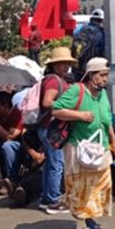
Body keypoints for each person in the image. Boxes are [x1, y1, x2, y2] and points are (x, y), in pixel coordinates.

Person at [51, 58, 115, 229]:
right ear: (91, 75)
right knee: (80, 187)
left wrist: (113, 141)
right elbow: (56, 110)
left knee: (100, 185)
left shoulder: (102, 94)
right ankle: (80, 225)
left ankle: (90, 216)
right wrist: (79, 115)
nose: (105, 79)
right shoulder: (77, 90)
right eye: (102, 75)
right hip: (78, 148)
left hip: (100, 148)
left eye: (106, 75)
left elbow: (107, 120)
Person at [37, 47, 75, 214]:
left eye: (67, 63)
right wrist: (65, 104)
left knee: (51, 164)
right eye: (62, 63)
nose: (66, 66)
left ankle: (47, 198)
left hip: (48, 127)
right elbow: (47, 102)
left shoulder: (55, 79)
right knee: (56, 164)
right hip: (51, 128)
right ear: (54, 65)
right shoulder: (54, 81)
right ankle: (53, 200)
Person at [71, 9, 107, 81]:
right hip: (93, 69)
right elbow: (104, 52)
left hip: (77, 69)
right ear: (102, 21)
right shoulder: (102, 33)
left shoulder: (81, 29)